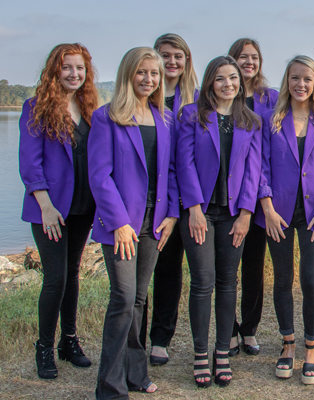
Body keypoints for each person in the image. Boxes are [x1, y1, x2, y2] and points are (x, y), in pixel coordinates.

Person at [90, 47, 179, 398]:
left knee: (140, 298)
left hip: (155, 220)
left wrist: (172, 214)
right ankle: (110, 385)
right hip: (122, 223)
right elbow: (100, 175)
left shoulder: (164, 119)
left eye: (154, 74)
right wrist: (118, 222)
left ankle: (135, 374)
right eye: (142, 72)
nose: (149, 79)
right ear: (129, 74)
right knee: (123, 298)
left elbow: (170, 171)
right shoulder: (106, 117)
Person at [176, 55, 261, 387]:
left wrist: (246, 214)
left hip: (233, 215)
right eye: (221, 78)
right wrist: (194, 208)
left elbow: (254, 172)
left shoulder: (251, 121)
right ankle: (200, 353)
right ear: (210, 82)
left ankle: (222, 352)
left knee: (228, 282)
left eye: (234, 78)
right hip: (200, 212)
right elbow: (183, 162)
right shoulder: (192, 116)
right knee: (203, 281)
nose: (229, 84)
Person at [257, 55, 314, 384]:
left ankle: (310, 346)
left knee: (309, 279)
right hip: (277, 213)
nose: (300, 84)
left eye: (307, 78)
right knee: (282, 279)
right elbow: (260, 167)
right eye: (295, 78)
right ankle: (287, 343)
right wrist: (266, 207)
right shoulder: (271, 120)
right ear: (286, 81)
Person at [19, 43, 98, 380]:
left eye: (79, 68)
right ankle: (45, 349)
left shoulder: (90, 107)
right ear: (55, 70)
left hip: (82, 206)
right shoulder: (35, 107)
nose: (74, 74)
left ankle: (69, 342)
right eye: (67, 67)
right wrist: (45, 206)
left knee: (73, 272)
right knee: (55, 279)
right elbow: (29, 162)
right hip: (50, 209)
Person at [139, 32, 200, 366]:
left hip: (185, 198)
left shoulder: (197, 98)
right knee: (141, 273)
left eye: (179, 55)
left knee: (170, 269)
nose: (172, 61)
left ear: (187, 60)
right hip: (150, 196)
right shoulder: (146, 95)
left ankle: (160, 338)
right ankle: (135, 337)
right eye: (165, 55)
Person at [227, 38, 279, 355]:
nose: (249, 62)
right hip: (227, 197)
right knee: (227, 269)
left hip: (260, 199)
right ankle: (229, 327)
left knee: (253, 268)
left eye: (254, 57)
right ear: (231, 60)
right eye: (243, 57)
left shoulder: (269, 98)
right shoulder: (220, 95)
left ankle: (249, 329)